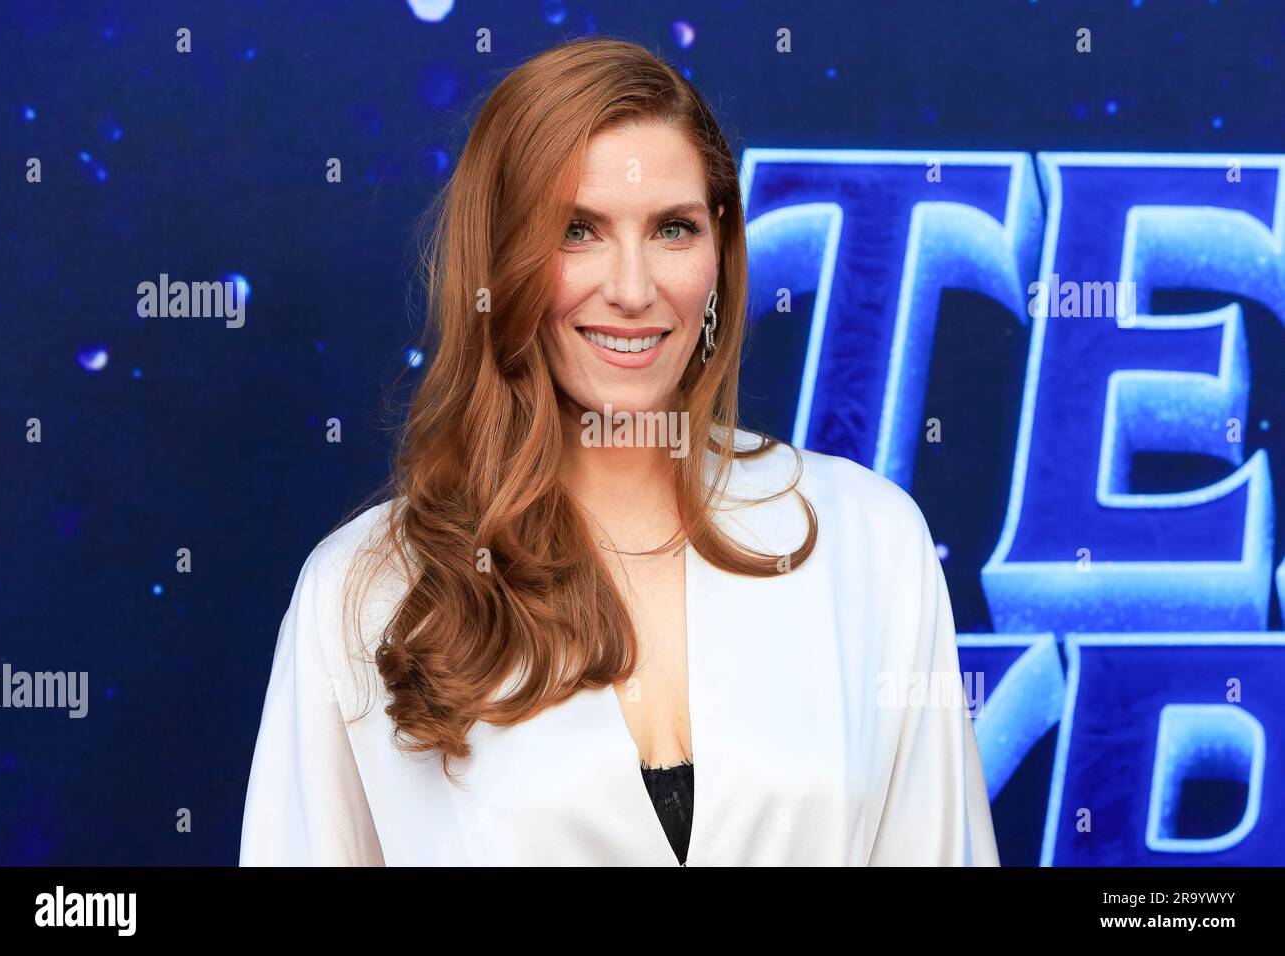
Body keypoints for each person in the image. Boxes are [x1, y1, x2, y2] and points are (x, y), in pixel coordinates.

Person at [239, 35, 999, 866]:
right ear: (500, 259)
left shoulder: (869, 541)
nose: (634, 291)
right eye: (578, 231)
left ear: (719, 249)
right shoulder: (364, 589)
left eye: (672, 229)